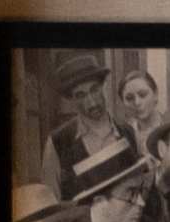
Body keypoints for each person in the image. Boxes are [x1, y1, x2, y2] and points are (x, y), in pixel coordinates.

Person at [41, 51, 137, 198]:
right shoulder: (57, 142)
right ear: (71, 99)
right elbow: (51, 205)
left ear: (102, 86)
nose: (92, 103)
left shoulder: (128, 133)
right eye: (81, 95)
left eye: (94, 89)